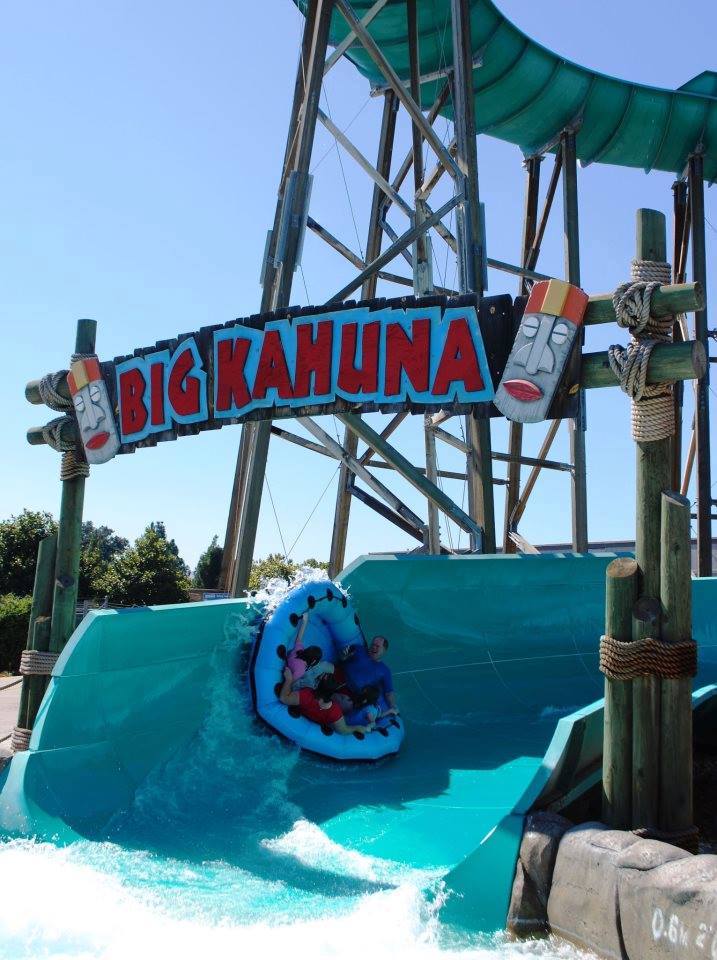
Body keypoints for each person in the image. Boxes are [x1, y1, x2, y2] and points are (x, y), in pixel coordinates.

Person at [278, 668, 373, 735]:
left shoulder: (306, 695)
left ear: (317, 684)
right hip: (316, 725)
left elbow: (283, 698)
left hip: (299, 718)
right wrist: (358, 728)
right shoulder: (335, 711)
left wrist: (288, 679)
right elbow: (343, 730)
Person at [341, 635, 399, 717]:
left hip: (352, 694)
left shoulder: (384, 670)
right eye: (373, 644)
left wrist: (393, 706)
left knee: (347, 704)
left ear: (384, 650)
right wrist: (344, 655)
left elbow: (388, 692)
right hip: (340, 679)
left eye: (377, 646)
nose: (373, 647)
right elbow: (342, 657)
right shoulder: (358, 649)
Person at [285, 612, 334, 690]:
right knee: (312, 682)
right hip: (296, 673)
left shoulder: (298, 649)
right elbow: (290, 684)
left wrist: (305, 619)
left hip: (292, 662)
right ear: (314, 661)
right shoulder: (301, 670)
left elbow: (300, 635)